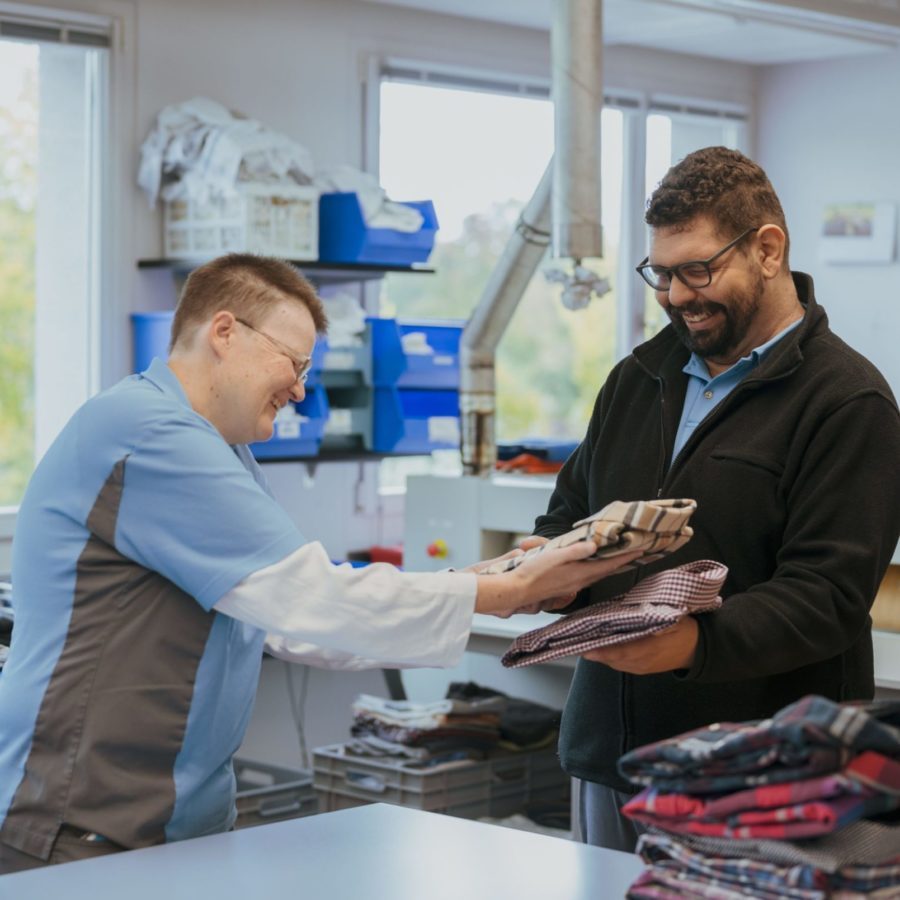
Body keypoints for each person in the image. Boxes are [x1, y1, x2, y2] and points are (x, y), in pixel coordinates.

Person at [0, 253, 637, 873]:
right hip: (82, 821)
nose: (301, 388)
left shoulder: (220, 450)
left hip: (169, 820)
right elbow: (310, 598)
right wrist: (512, 591)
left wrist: (486, 579)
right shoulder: (148, 432)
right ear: (223, 331)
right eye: (294, 361)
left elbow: (297, 622)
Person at [529, 146, 900, 852]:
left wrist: (694, 643)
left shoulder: (848, 401)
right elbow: (568, 514)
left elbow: (827, 595)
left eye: (697, 270)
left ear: (767, 249)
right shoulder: (639, 376)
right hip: (613, 752)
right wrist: (541, 570)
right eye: (660, 274)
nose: (674, 296)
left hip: (762, 770)